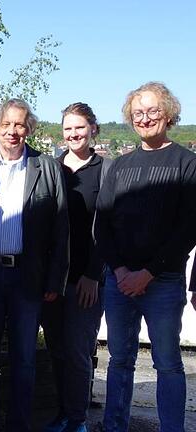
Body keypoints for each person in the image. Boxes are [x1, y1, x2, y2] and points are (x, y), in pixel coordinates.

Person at [0, 98, 69, 432]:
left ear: (29, 129)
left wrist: (55, 280)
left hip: (28, 278)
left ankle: (19, 425)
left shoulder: (47, 168)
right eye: (7, 124)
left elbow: (61, 227)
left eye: (20, 124)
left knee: (24, 361)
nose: (12, 131)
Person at [95, 82, 196, 432]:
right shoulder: (119, 166)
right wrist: (122, 271)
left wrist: (148, 273)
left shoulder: (188, 164)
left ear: (168, 114)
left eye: (153, 111)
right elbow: (102, 224)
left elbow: (187, 229)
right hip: (118, 281)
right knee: (119, 360)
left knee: (167, 363)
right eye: (138, 112)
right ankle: (114, 427)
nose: (145, 118)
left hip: (163, 282)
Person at [41, 103, 111, 432]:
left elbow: (108, 228)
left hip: (87, 280)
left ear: (93, 129)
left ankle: (78, 418)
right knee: (56, 349)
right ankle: (62, 413)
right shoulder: (52, 169)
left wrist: (93, 275)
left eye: (79, 128)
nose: (73, 134)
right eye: (68, 129)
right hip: (54, 279)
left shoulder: (106, 170)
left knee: (79, 351)